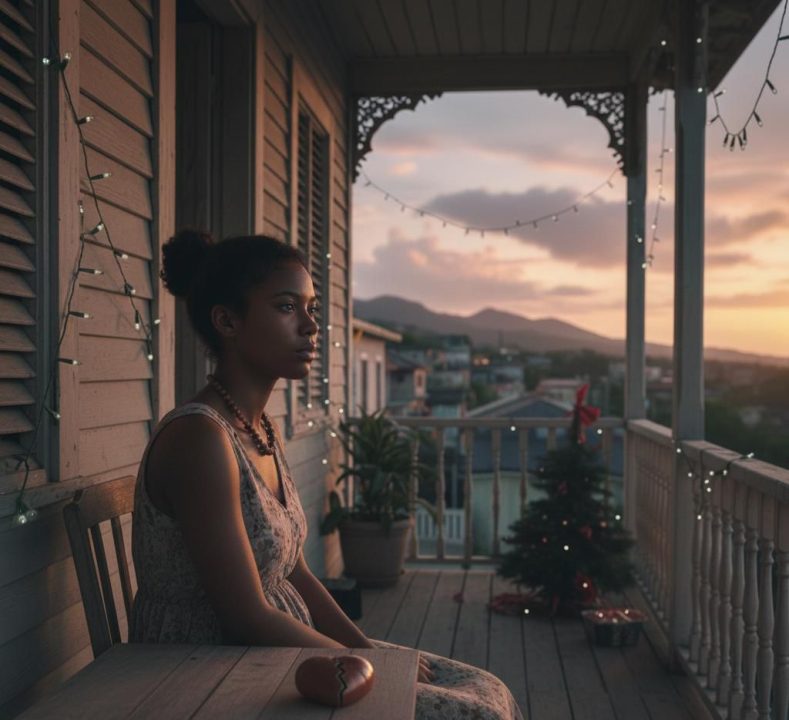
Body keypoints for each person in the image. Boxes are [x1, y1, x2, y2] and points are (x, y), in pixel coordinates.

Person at [128, 229, 524, 720]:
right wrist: (355, 659)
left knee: (486, 688)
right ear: (227, 321)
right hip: (208, 670)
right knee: (478, 715)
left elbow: (293, 567)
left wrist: (368, 649)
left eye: (312, 308)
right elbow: (245, 617)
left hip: (285, 651)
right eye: (287, 307)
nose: (311, 327)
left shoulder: (258, 428)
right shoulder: (200, 439)